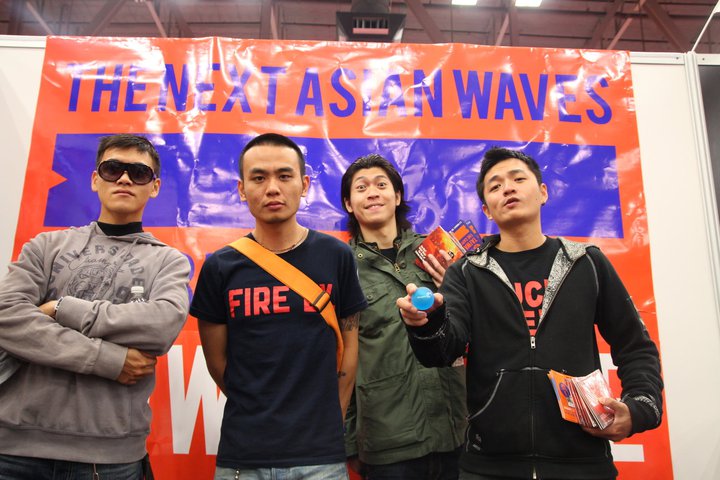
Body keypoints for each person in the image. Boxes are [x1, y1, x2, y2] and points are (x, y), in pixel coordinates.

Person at [398, 147, 663, 480]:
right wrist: (426, 324)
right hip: (488, 466)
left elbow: (635, 346)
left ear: (543, 192)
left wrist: (639, 409)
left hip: (582, 462)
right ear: (486, 209)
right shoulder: (467, 272)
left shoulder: (586, 263)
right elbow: (443, 351)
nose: (507, 188)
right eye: (495, 186)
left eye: (518, 179)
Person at [0, 134, 191, 479]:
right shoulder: (46, 246)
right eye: (113, 168)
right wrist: (108, 359)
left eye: (139, 173)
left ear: (155, 187)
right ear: (95, 179)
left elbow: (162, 325)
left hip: (108, 459)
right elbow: (7, 318)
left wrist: (61, 308)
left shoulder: (168, 261)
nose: (124, 179)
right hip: (14, 450)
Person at [190, 133, 367, 480]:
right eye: (259, 178)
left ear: (304, 184)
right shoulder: (220, 267)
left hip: (321, 458)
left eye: (284, 176)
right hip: (244, 458)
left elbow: (349, 350)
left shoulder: (336, 256)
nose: (272, 188)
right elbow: (218, 363)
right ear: (242, 189)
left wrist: (330, 417)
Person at [340, 154, 467, 480]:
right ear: (349, 204)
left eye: (381, 185)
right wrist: (350, 441)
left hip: (458, 433)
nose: (373, 193)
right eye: (361, 187)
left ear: (397, 197)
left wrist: (456, 288)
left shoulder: (438, 253)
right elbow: (339, 360)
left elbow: (475, 328)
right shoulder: (342, 268)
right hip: (388, 441)